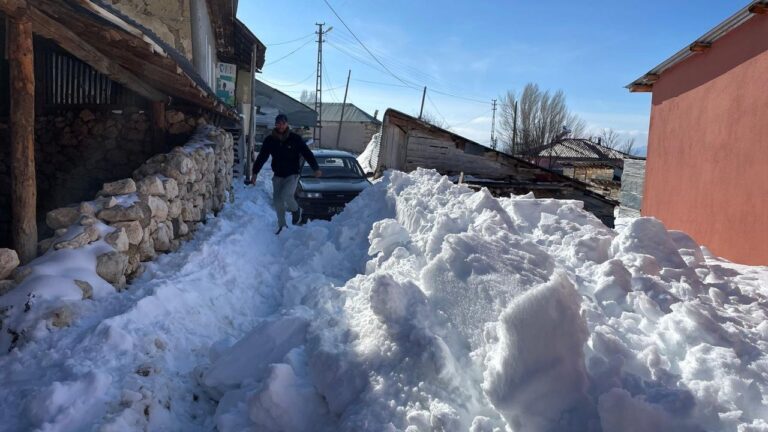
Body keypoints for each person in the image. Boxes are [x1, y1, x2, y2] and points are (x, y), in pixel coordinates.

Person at [247, 114, 321, 234]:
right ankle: (282, 226)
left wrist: (315, 168)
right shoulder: (270, 140)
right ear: (276, 124)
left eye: (283, 123)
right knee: (277, 201)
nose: (280, 125)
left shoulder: (295, 139)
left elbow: (307, 153)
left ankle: (297, 210)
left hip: (292, 174)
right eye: (278, 123)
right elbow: (262, 157)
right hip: (278, 175)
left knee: (286, 195)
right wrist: (255, 173)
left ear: (287, 124)